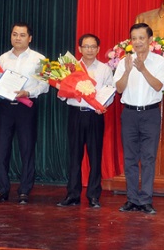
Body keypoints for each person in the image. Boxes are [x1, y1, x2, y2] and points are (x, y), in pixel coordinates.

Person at [0, 22, 49, 205]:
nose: (17, 38)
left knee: (27, 149)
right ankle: (2, 189)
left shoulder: (40, 59)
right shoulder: (3, 58)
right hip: (5, 107)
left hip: (26, 107)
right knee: (1, 149)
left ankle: (24, 191)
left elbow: (44, 85)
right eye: (14, 34)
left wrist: (28, 93)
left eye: (22, 35)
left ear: (30, 38)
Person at [113, 23, 164, 215]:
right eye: (134, 38)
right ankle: (131, 199)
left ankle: (145, 200)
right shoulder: (124, 62)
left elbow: (158, 86)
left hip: (150, 113)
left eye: (141, 38)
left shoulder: (160, 62)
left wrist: (143, 69)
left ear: (150, 40)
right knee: (129, 158)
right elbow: (119, 89)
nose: (137, 42)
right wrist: (128, 71)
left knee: (148, 158)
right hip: (129, 113)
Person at [57, 34, 114, 209]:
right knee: (74, 156)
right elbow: (61, 95)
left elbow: (110, 91)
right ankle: (72, 195)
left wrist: (102, 105)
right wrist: (63, 89)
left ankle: (94, 196)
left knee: (95, 156)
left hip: (95, 115)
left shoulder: (104, 69)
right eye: (86, 46)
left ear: (98, 49)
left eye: (93, 46)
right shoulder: (71, 68)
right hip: (75, 114)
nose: (89, 50)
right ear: (79, 49)